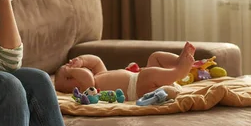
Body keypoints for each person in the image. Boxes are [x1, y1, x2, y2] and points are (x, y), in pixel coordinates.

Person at [54, 42, 196, 101]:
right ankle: (179, 72)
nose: (72, 68)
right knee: (148, 73)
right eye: (69, 75)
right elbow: (86, 77)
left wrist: (82, 60)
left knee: (155, 57)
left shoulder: (99, 75)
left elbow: (96, 61)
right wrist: (73, 70)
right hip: (137, 90)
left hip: (139, 78)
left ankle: (178, 61)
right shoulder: (89, 90)